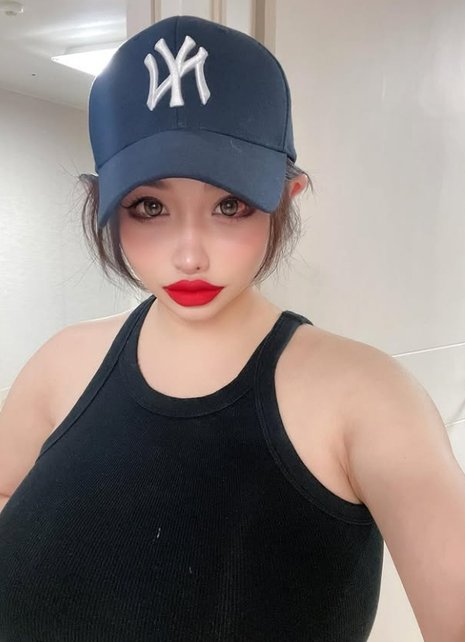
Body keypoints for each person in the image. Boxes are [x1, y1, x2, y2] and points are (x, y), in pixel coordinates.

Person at [0, 15, 384, 641]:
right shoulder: (62, 363)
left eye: (230, 205)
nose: (188, 256)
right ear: (104, 204)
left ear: (286, 197)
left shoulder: (362, 394)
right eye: (149, 207)